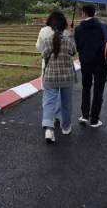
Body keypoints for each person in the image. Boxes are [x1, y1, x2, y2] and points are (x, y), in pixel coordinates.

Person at [37, 11, 77, 144]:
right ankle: (66, 127)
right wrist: (72, 36)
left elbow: (43, 55)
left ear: (51, 25)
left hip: (50, 77)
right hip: (67, 78)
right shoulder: (68, 40)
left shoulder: (47, 40)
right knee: (66, 103)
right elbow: (73, 52)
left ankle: (49, 129)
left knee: (49, 103)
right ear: (64, 25)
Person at [74, 4, 107, 128]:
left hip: (85, 63)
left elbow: (78, 47)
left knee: (86, 88)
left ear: (84, 13)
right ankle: (94, 120)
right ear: (94, 13)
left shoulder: (78, 29)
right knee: (98, 90)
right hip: (101, 64)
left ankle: (84, 116)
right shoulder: (104, 27)